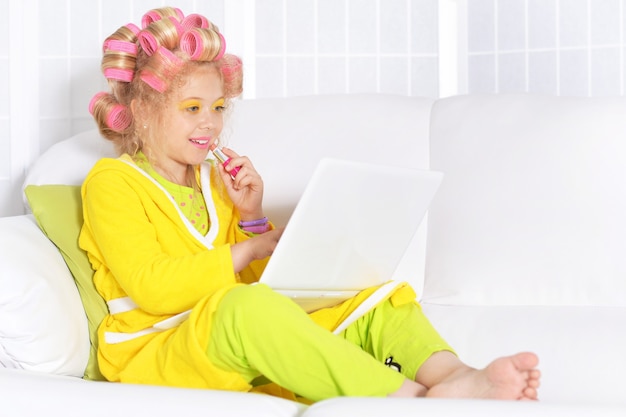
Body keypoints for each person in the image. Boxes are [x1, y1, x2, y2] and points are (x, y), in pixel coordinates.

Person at [80, 6, 541, 403]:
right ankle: (411, 401)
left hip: (232, 343)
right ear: (141, 111)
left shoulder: (214, 182)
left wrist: (252, 217)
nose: (211, 124)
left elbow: (263, 287)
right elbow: (152, 286)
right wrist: (248, 250)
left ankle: (454, 377)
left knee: (369, 291)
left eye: (219, 108)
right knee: (244, 310)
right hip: (157, 353)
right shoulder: (112, 182)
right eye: (192, 108)